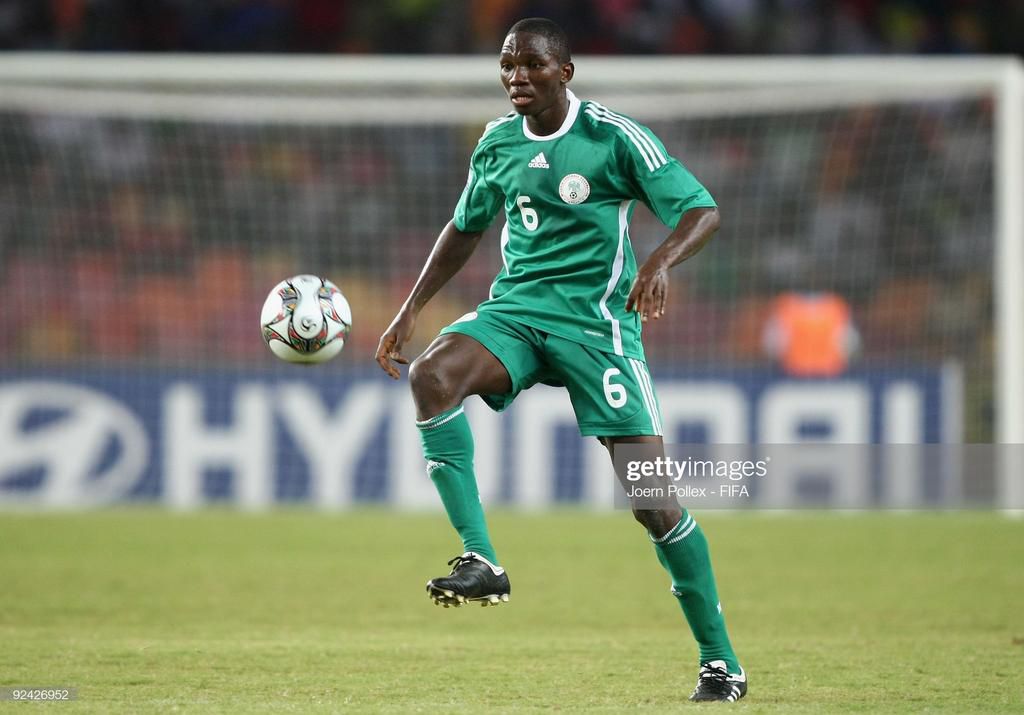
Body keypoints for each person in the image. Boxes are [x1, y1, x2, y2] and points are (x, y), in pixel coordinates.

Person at [375, 17, 746, 703]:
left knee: (653, 503)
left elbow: (701, 210)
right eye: (508, 66)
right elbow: (465, 226)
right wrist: (410, 308)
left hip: (597, 327)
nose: (518, 77)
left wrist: (660, 259)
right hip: (517, 313)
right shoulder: (496, 142)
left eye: (533, 66)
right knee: (432, 373)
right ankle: (482, 558)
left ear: (565, 72)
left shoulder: (613, 137)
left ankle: (720, 661)